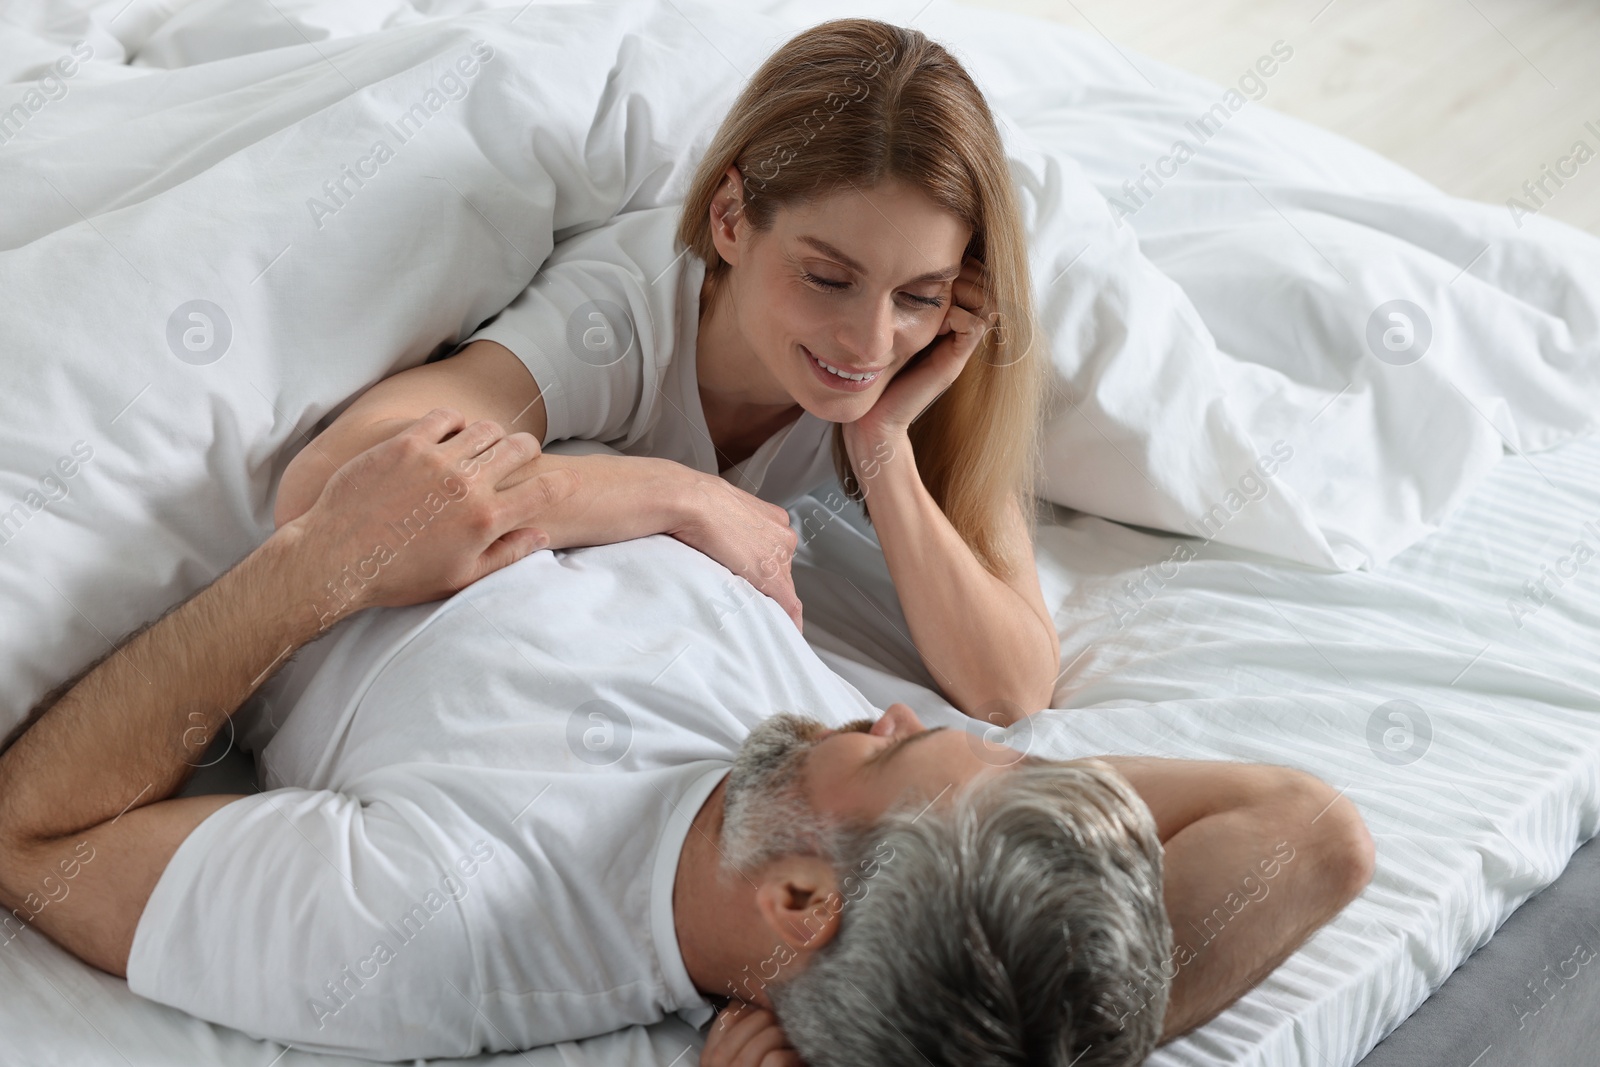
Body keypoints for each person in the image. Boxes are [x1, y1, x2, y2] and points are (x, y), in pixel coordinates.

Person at [0, 411, 1374, 1066]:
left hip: (329, 444)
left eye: (891, 749)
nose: (897, 710)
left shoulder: (445, 918)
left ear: (796, 898)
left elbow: (35, 838)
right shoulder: (870, 832)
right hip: (623, 412)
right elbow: (1308, 830)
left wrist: (324, 563)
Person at [272, 17, 1062, 725]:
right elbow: (329, 490)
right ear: (729, 218)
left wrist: (880, 442)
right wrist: (682, 496)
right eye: (827, 278)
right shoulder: (617, 318)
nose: (869, 342)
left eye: (919, 294)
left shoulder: (917, 364)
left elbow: (1010, 689)